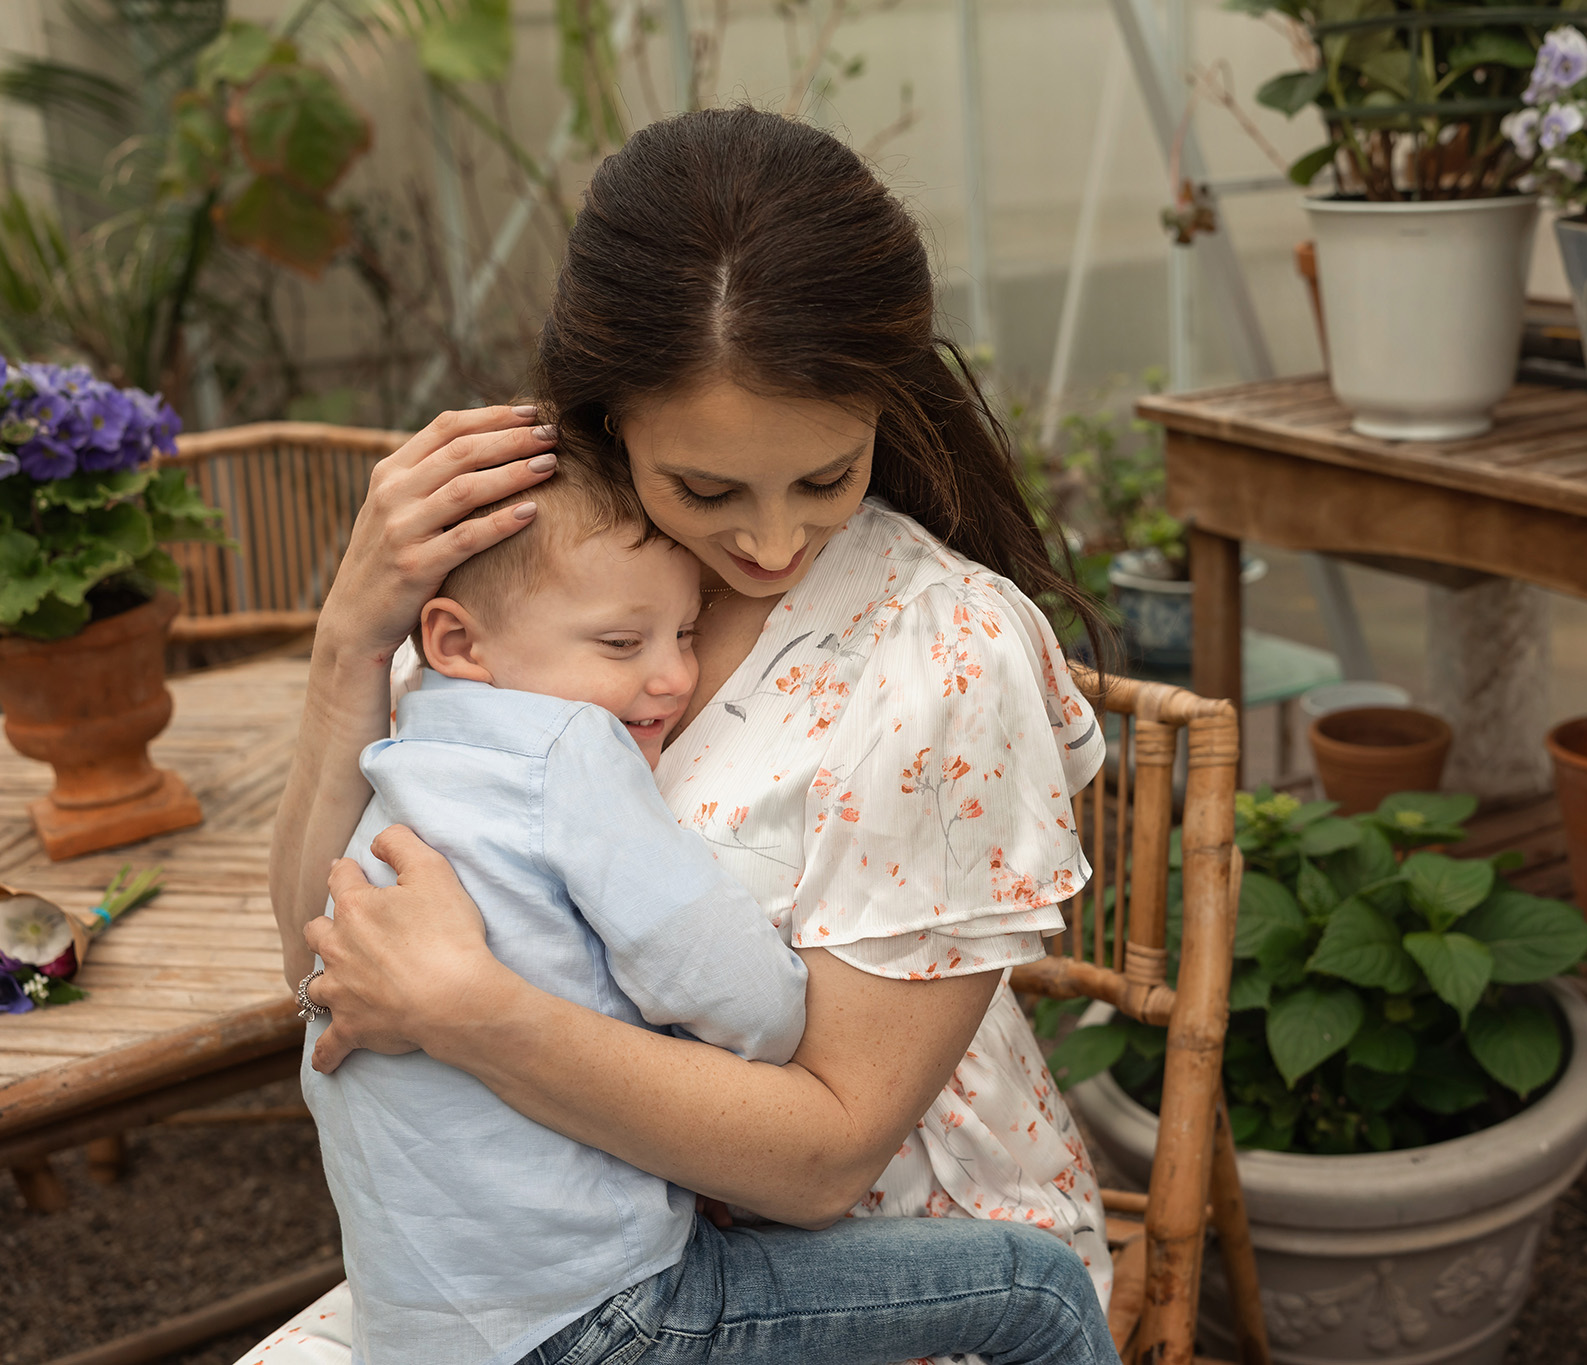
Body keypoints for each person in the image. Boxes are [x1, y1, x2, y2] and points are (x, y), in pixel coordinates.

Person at [258, 106, 1113, 1365]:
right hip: (553, 1273)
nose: (769, 546)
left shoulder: (940, 657)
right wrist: (347, 646)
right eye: (704, 490)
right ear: (607, 422)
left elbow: (826, 1161)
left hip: (881, 1278)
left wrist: (471, 1013)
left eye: (827, 476)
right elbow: (319, 960)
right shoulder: (534, 583)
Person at [301, 460, 1114, 1365]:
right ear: (454, 639)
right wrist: (346, 640)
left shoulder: (429, 725)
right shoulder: (573, 738)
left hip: (422, 1317)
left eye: (686, 632)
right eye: (623, 646)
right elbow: (741, 998)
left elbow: (326, 945)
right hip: (602, 1307)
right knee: (1038, 1289)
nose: (672, 676)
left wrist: (468, 1007)